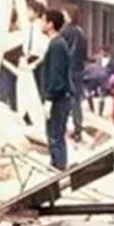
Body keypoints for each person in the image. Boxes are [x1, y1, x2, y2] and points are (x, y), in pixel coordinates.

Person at [41, 9, 72, 170]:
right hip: (60, 97)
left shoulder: (57, 46)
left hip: (59, 98)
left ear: (50, 24)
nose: (41, 24)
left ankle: (58, 167)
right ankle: (57, 165)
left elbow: (56, 74)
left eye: (43, 20)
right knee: (54, 134)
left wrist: (50, 98)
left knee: (55, 135)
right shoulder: (57, 44)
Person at [60, 4, 89, 141]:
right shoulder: (81, 32)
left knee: (63, 100)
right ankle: (78, 128)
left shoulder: (65, 31)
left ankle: (62, 127)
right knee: (76, 101)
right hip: (79, 70)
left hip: (67, 69)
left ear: (69, 15)